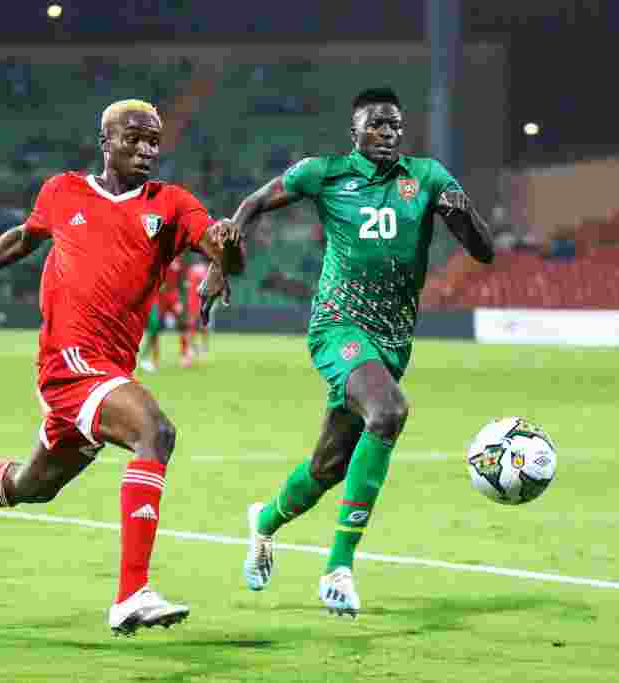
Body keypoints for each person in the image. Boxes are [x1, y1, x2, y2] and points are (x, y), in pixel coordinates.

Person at [0, 99, 242, 636]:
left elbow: (221, 248)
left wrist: (226, 253)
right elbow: (23, 238)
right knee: (155, 432)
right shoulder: (63, 190)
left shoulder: (172, 204)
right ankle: (131, 594)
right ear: (106, 142)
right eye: (134, 138)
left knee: (33, 485)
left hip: (109, 368)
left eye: (154, 141)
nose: (146, 149)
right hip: (68, 362)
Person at [218, 87, 493, 618]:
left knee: (328, 466)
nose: (388, 134)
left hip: (392, 340)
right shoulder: (323, 173)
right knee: (388, 412)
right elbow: (252, 205)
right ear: (355, 132)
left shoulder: (428, 177)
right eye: (377, 125)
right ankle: (338, 568)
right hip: (338, 326)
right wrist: (221, 262)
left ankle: (265, 522)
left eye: (395, 126)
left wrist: (464, 216)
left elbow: (482, 251)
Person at [186, 255, 211, 359]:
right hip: (201, 301)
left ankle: (192, 347)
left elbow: (187, 285)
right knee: (202, 325)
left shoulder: (191, 270)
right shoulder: (205, 270)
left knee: (192, 324)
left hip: (193, 300)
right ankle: (202, 347)